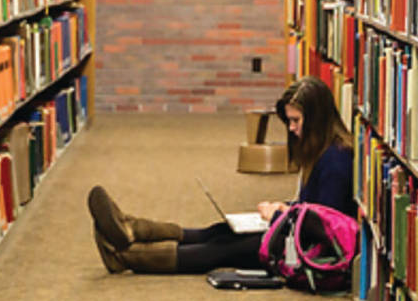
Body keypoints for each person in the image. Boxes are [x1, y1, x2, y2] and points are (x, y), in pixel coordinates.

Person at [86, 76, 352, 275]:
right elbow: (312, 210)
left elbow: (325, 228)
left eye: (296, 121)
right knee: (219, 231)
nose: (292, 129)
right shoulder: (323, 150)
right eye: (290, 121)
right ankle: (131, 228)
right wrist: (285, 208)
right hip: (294, 233)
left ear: (316, 119)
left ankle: (126, 256)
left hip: (306, 252)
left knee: (222, 249)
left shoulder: (336, 160)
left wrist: (280, 215)